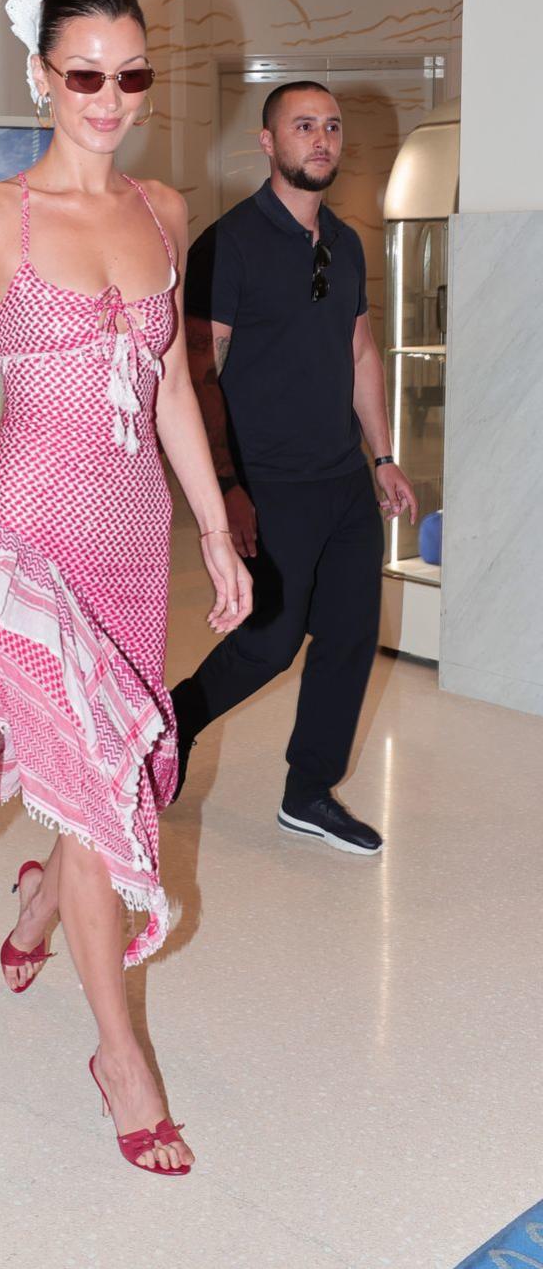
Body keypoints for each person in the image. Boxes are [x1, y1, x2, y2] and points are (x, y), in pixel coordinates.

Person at [0, 0, 251, 1174]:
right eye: (86, 72)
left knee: (103, 775)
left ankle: (50, 894)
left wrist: (212, 527)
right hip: (28, 537)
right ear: (42, 75)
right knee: (104, 786)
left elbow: (166, 388)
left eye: (132, 74)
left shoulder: (162, 210)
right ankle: (120, 1055)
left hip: (130, 539)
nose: (111, 97)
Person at [172, 80, 418, 854]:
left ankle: (309, 791)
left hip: (341, 479)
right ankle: (173, 721)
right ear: (268, 143)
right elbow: (200, 375)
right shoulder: (229, 243)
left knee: (350, 635)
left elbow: (360, 351)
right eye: (303, 126)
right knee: (269, 642)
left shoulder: (344, 243)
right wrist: (227, 489)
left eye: (333, 128)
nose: (322, 139)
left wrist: (382, 455)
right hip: (267, 483)